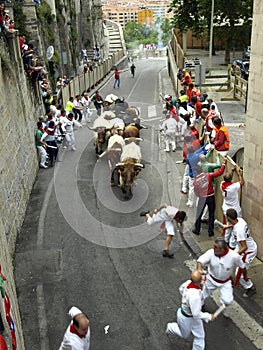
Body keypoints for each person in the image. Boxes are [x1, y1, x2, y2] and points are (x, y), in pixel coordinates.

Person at [166, 270, 216, 350]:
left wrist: (186, 299)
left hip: (192, 315)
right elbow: (196, 314)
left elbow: (181, 289)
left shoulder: (188, 283)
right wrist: (209, 316)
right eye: (202, 277)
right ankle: (171, 327)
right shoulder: (194, 296)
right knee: (184, 335)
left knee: (200, 336)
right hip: (186, 317)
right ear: (200, 281)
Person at [197, 237, 245, 309]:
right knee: (202, 295)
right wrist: (199, 271)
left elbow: (242, 266)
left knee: (227, 301)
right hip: (211, 280)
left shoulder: (234, 256)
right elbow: (200, 261)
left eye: (215, 247)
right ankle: (200, 305)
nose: (213, 248)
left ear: (222, 249)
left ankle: (222, 306)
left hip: (225, 282)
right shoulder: (211, 252)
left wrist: (245, 276)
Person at [224, 208, 257, 298]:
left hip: (247, 252)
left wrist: (235, 255)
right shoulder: (240, 220)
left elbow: (244, 247)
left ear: (229, 217)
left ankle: (250, 287)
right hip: (242, 247)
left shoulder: (239, 231)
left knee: (240, 274)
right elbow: (235, 225)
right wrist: (228, 226)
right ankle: (228, 279)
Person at [192, 161, 226, 237]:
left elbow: (196, 193)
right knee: (211, 214)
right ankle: (210, 231)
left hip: (202, 198)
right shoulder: (208, 175)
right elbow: (219, 173)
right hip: (211, 197)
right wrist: (223, 164)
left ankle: (197, 229)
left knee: (199, 214)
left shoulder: (195, 181)